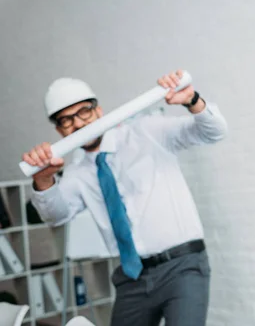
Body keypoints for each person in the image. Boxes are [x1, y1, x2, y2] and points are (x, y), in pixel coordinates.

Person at [23, 70, 227, 326]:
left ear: (98, 110)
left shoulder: (146, 131)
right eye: (66, 120)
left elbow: (214, 132)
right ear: (59, 129)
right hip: (132, 278)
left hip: (182, 267)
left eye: (83, 112)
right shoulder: (75, 174)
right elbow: (55, 216)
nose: (77, 124)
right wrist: (43, 180)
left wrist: (192, 100)